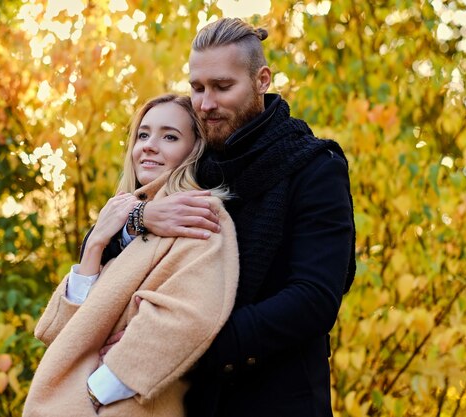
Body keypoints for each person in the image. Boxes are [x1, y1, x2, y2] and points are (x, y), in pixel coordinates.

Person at [101, 18, 356, 417]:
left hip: (278, 401)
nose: (205, 104)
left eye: (222, 87)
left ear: (262, 80)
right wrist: (141, 217)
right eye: (197, 88)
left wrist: (186, 347)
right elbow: (102, 245)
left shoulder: (314, 167)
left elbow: (314, 299)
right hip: (186, 402)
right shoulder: (192, 162)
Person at [22, 94, 239, 417]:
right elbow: (65, 333)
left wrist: (98, 389)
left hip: (125, 406)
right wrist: (96, 243)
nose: (150, 145)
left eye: (169, 136)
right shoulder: (127, 223)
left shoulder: (198, 213)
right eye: (143, 134)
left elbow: (184, 317)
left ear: (194, 149)